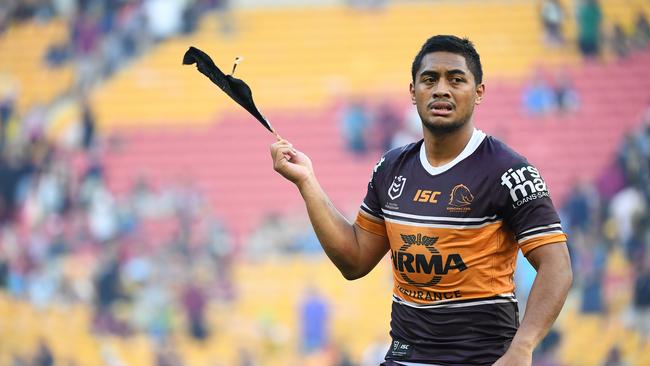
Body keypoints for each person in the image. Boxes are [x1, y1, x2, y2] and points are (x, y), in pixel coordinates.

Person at [270, 35, 572, 365]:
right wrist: (307, 182)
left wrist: (523, 346)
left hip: (482, 359)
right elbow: (355, 260)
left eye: (456, 79)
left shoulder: (509, 170)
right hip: (404, 357)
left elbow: (557, 266)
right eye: (430, 79)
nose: (441, 89)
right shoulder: (390, 168)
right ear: (413, 92)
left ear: (479, 92)